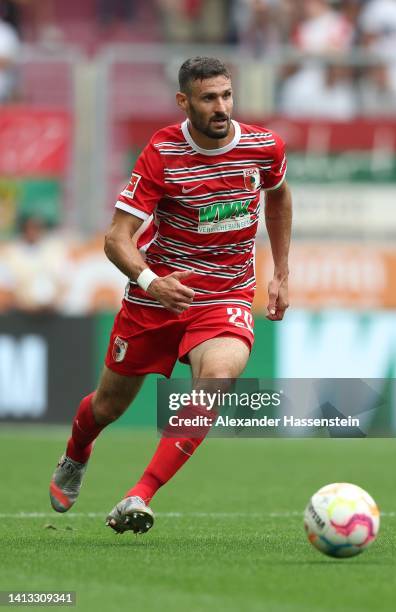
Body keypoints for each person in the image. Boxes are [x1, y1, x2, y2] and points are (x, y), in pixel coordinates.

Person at [49, 56, 292, 535]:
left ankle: (138, 495)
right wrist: (151, 283)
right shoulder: (162, 152)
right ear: (184, 102)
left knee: (218, 377)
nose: (221, 107)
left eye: (226, 95)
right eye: (208, 98)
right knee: (108, 407)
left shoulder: (265, 147)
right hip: (157, 297)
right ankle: (77, 452)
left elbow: (279, 195)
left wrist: (281, 270)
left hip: (226, 294)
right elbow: (116, 238)